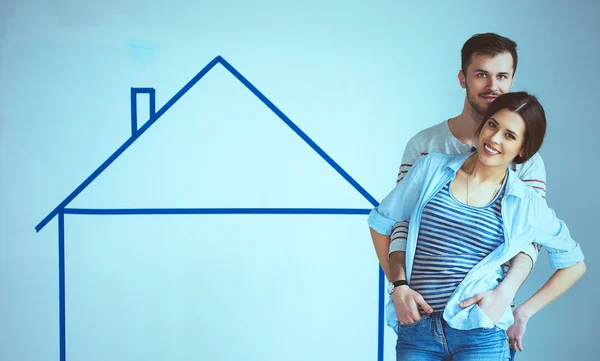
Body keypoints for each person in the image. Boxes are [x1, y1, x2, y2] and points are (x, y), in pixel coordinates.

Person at [368, 91, 585, 360]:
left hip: (480, 333)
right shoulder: (431, 168)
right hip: (418, 329)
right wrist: (398, 286)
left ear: (523, 150)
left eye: (509, 135)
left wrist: (522, 311)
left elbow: (574, 263)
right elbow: (380, 222)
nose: (494, 138)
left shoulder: (526, 202)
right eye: (492, 124)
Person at [371, 33, 545, 358]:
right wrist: (399, 287)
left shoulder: (528, 159)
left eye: (502, 76)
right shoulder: (425, 147)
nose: (493, 85)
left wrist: (504, 298)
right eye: (481, 74)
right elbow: (398, 223)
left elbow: (528, 241)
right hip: (420, 320)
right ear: (462, 78)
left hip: (482, 324)